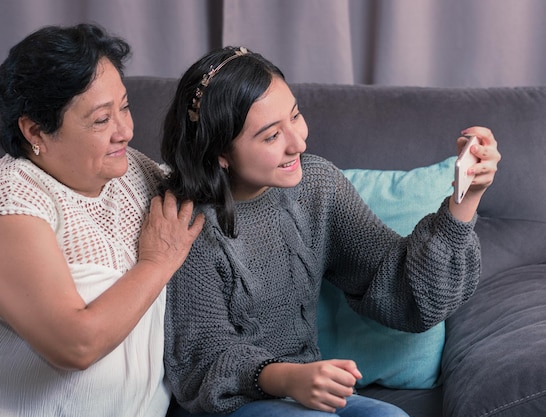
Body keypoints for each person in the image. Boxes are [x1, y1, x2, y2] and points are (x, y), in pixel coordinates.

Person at [160, 46, 501, 416]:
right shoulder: (187, 224)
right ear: (219, 152)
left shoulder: (317, 186)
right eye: (271, 136)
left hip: (305, 396)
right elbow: (203, 359)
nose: (299, 142)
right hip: (233, 405)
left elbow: (408, 295)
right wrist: (289, 378)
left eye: (295, 115)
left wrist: (465, 200)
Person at [0, 23, 204, 417]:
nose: (126, 130)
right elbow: (76, 345)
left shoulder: (129, 170)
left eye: (124, 106)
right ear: (36, 130)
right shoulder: (7, 205)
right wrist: (156, 263)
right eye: (101, 120)